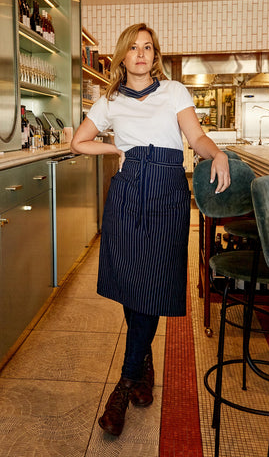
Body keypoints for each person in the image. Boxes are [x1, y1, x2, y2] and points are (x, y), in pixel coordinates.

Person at [71, 22, 230, 437]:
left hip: (166, 194)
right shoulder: (109, 100)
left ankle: (124, 385)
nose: (141, 54)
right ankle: (143, 363)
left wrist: (218, 154)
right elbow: (78, 142)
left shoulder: (174, 91)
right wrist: (117, 148)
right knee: (130, 283)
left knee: (154, 283)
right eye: (134, 48)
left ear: (153, 54)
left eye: (148, 47)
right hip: (127, 193)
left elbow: (194, 136)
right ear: (123, 55)